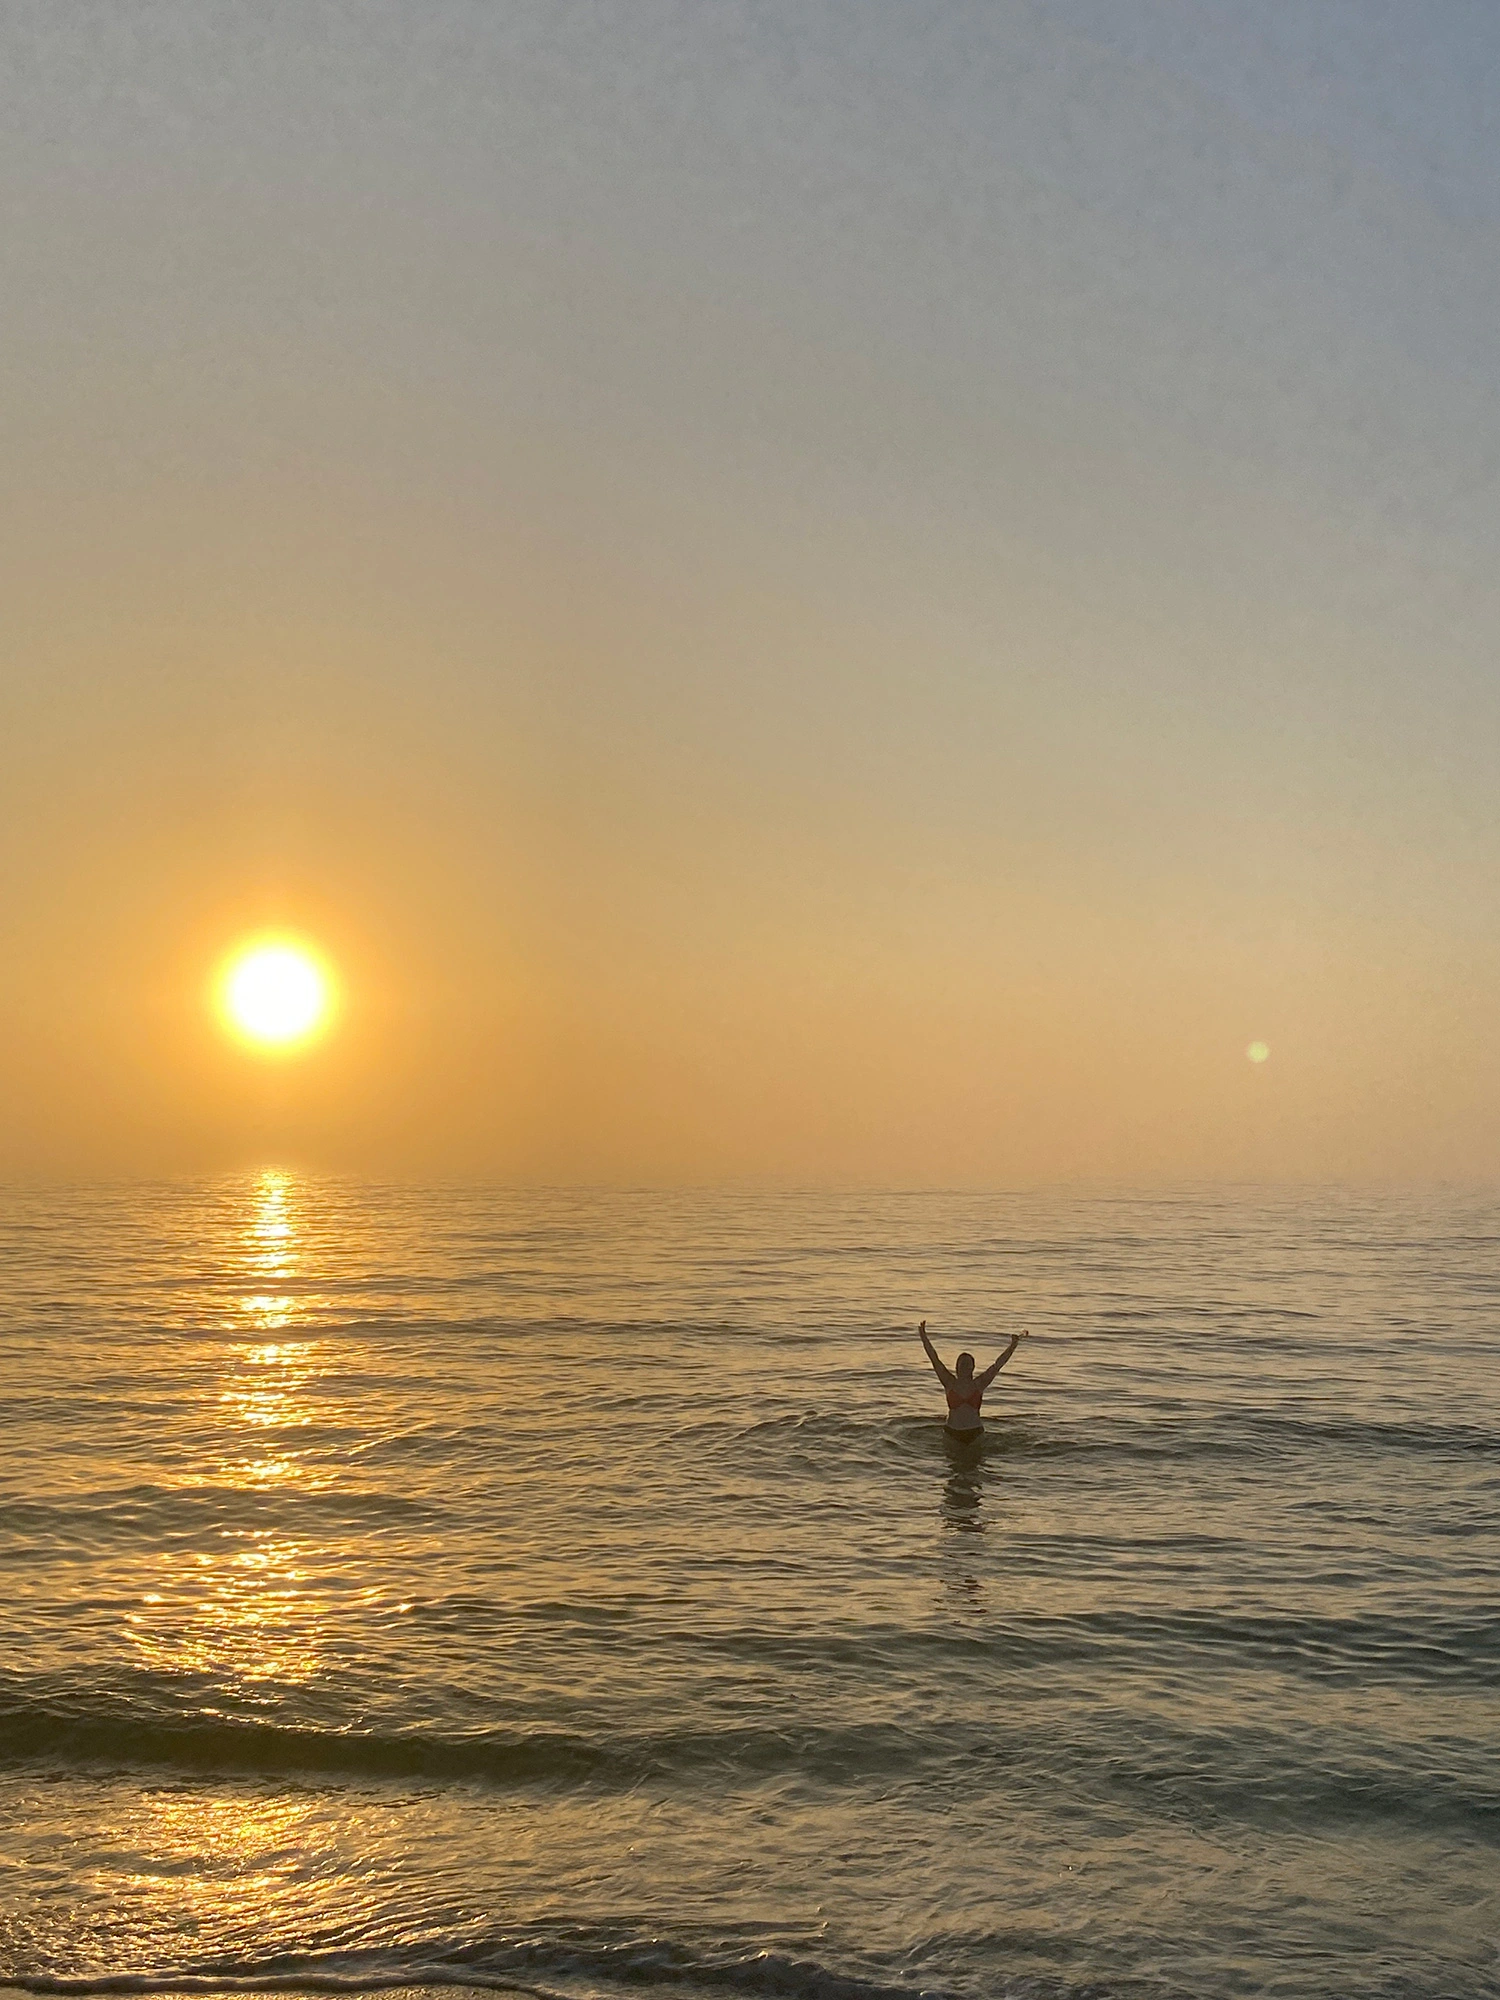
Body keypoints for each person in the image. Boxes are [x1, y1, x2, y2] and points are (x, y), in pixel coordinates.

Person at [919, 1319, 1027, 1438]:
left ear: (973, 1367)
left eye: (967, 1363)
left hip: (975, 1432)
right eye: (962, 1363)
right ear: (956, 1367)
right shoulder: (948, 1382)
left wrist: (1013, 1345)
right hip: (952, 1431)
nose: (965, 1366)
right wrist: (924, 1337)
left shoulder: (980, 1383)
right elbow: (934, 1359)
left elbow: (998, 1364)